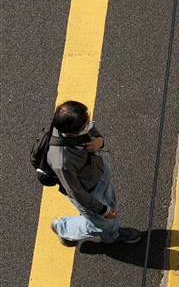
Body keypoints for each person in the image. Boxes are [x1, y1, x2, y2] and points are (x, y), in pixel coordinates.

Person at [48, 100, 142, 246]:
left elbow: (92, 131)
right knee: (102, 223)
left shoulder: (77, 122)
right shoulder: (62, 161)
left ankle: (112, 235)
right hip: (90, 191)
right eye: (86, 124)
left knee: (111, 206)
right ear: (72, 133)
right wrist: (102, 209)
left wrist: (100, 141)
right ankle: (64, 227)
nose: (89, 124)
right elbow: (76, 192)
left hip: (101, 173)